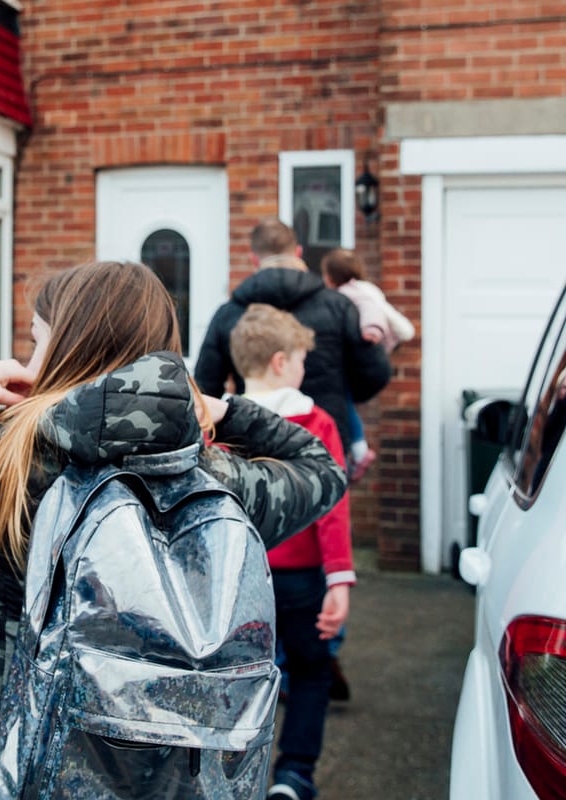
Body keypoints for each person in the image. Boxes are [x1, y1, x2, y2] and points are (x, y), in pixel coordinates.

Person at [0, 260, 349, 799]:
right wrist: (220, 409)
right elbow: (321, 469)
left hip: (13, 774)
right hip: (177, 778)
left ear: (63, 349)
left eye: (37, 340)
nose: (30, 357)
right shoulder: (216, 482)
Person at [230, 303, 354, 800]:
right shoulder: (316, 422)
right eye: (302, 360)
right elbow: (332, 506)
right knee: (310, 672)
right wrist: (339, 578)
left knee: (237, 677)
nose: (305, 369)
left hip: (240, 576)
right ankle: (293, 775)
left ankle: (233, 775)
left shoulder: (221, 423)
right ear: (281, 362)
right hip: (301, 577)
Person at [194, 218, 392, 473]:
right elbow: (375, 373)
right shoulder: (338, 306)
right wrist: (340, 396)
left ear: (254, 259)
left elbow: (206, 385)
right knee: (328, 496)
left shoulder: (229, 313)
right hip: (326, 437)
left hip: (254, 441)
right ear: (298, 253)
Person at [320, 247, 415, 480]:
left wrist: (371, 329)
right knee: (347, 402)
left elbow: (369, 310)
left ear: (331, 276)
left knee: (345, 401)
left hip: (369, 349)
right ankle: (358, 449)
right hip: (369, 355)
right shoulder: (362, 288)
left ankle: (360, 451)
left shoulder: (352, 292)